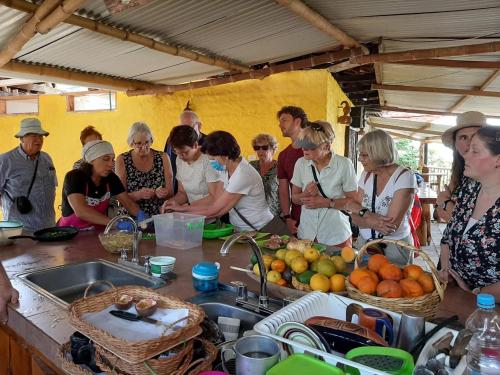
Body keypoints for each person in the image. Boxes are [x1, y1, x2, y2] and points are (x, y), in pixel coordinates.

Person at [162, 131, 273, 232]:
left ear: (224, 154)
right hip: (243, 230)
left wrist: (180, 212)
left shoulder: (242, 174)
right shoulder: (226, 169)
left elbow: (216, 210)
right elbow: (215, 199)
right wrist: (181, 208)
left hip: (261, 229)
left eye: (213, 159)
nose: (211, 163)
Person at [439, 126, 499, 299]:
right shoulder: (470, 189)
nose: (465, 155)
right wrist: (446, 270)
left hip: (491, 312)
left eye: (475, 151)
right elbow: (448, 237)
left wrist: (477, 294)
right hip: (454, 296)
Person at [346, 129, 416, 265]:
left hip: (394, 247)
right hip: (365, 244)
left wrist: (363, 216)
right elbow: (354, 217)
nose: (360, 159)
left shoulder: (404, 176)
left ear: (379, 154)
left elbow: (390, 226)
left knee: (393, 284)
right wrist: (368, 216)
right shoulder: (366, 175)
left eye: (364, 155)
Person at [291, 121, 358, 247]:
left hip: (336, 235)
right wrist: (304, 194)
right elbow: (294, 198)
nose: (304, 149)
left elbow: (354, 202)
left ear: (326, 146)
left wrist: (326, 202)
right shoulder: (300, 164)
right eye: (303, 145)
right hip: (306, 234)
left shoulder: (344, 165)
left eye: (311, 146)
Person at [58, 140, 147, 229]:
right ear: (92, 159)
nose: (111, 164)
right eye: (106, 159)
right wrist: (115, 223)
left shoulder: (111, 178)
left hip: (96, 232)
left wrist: (140, 214)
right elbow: (81, 211)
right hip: (70, 233)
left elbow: (128, 204)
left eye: (112, 159)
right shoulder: (74, 177)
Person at [0, 118, 57, 232]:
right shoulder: (5, 161)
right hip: (19, 230)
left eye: (41, 136)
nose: (39, 140)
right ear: (21, 138)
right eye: (34, 136)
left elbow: (53, 188)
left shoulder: (46, 158)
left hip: (48, 227)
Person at [436, 111, 486, 222]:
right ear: (455, 145)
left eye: (476, 136)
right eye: (463, 137)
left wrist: (445, 203)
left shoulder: (493, 174)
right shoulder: (462, 172)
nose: (470, 143)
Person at [115, 122, 173, 217]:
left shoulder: (163, 157)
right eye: (138, 143)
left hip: (159, 213)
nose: (144, 147)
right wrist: (138, 195)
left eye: (147, 142)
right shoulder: (122, 159)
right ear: (131, 143)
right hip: (132, 214)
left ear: (151, 140)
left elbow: (170, 193)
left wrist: (162, 193)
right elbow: (120, 197)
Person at [166, 125, 223, 207]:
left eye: (185, 152)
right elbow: (182, 193)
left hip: (213, 212)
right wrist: (170, 203)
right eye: (177, 152)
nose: (181, 157)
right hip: (192, 212)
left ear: (195, 145)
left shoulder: (209, 159)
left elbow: (214, 197)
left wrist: (188, 206)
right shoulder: (179, 159)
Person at [277, 106, 308, 234]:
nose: (280, 124)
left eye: (284, 120)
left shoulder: (315, 150)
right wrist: (287, 217)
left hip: (324, 216)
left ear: (297, 122)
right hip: (297, 219)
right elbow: (283, 190)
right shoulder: (283, 155)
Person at [164, 110, 207, 193]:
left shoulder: (210, 143)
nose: (185, 132)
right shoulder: (173, 142)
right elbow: (170, 166)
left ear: (199, 125)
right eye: (183, 127)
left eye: (190, 127)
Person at [250, 134, 280, 216]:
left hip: (274, 215)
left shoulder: (280, 168)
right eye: (257, 148)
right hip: (254, 215)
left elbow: (286, 194)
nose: (260, 151)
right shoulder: (250, 167)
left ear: (273, 149)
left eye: (264, 148)